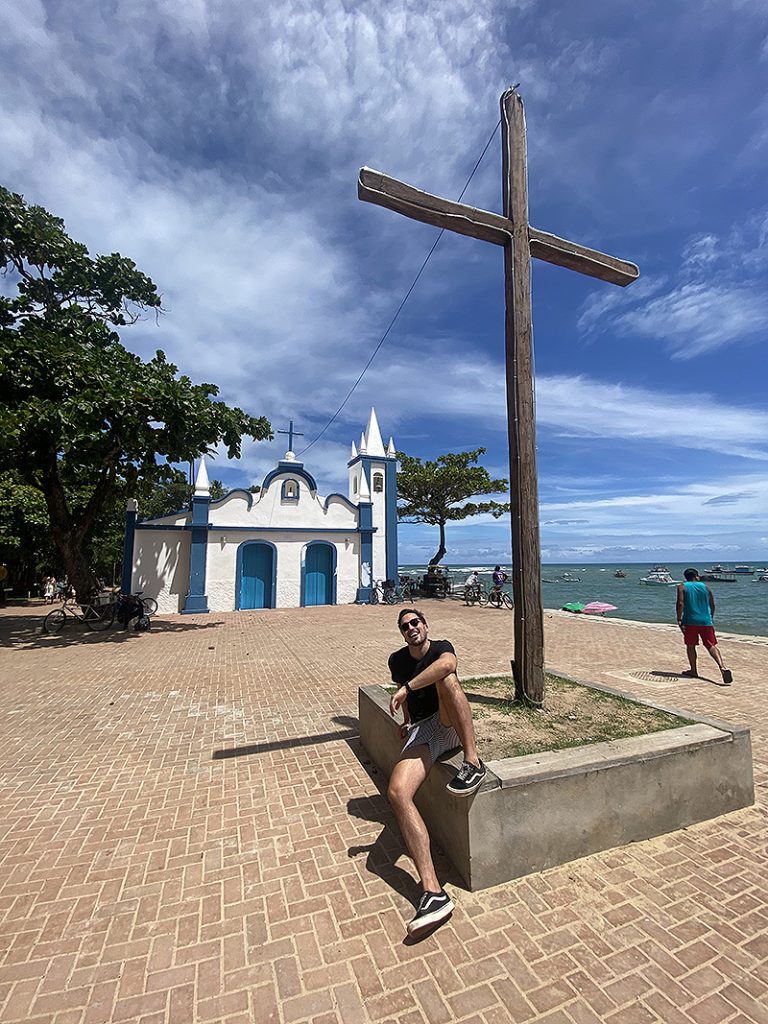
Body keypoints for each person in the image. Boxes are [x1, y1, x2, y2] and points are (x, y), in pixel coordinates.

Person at [386, 608, 487, 936]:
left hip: (448, 723)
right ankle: (433, 893)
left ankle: (473, 761)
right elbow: (407, 698)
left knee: (447, 676)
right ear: (402, 634)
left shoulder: (441, 646)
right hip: (424, 731)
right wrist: (405, 722)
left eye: (415, 622)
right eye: (405, 626)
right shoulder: (397, 661)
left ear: (425, 626)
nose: (411, 628)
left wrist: (407, 689)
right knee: (398, 792)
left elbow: (447, 665)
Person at [676, 568, 732, 685]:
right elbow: (712, 604)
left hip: (690, 621)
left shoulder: (682, 587)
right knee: (710, 645)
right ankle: (722, 667)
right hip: (706, 621)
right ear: (696, 576)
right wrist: (711, 617)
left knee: (691, 646)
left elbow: (680, 603)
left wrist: (679, 619)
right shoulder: (706, 587)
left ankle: (693, 670)